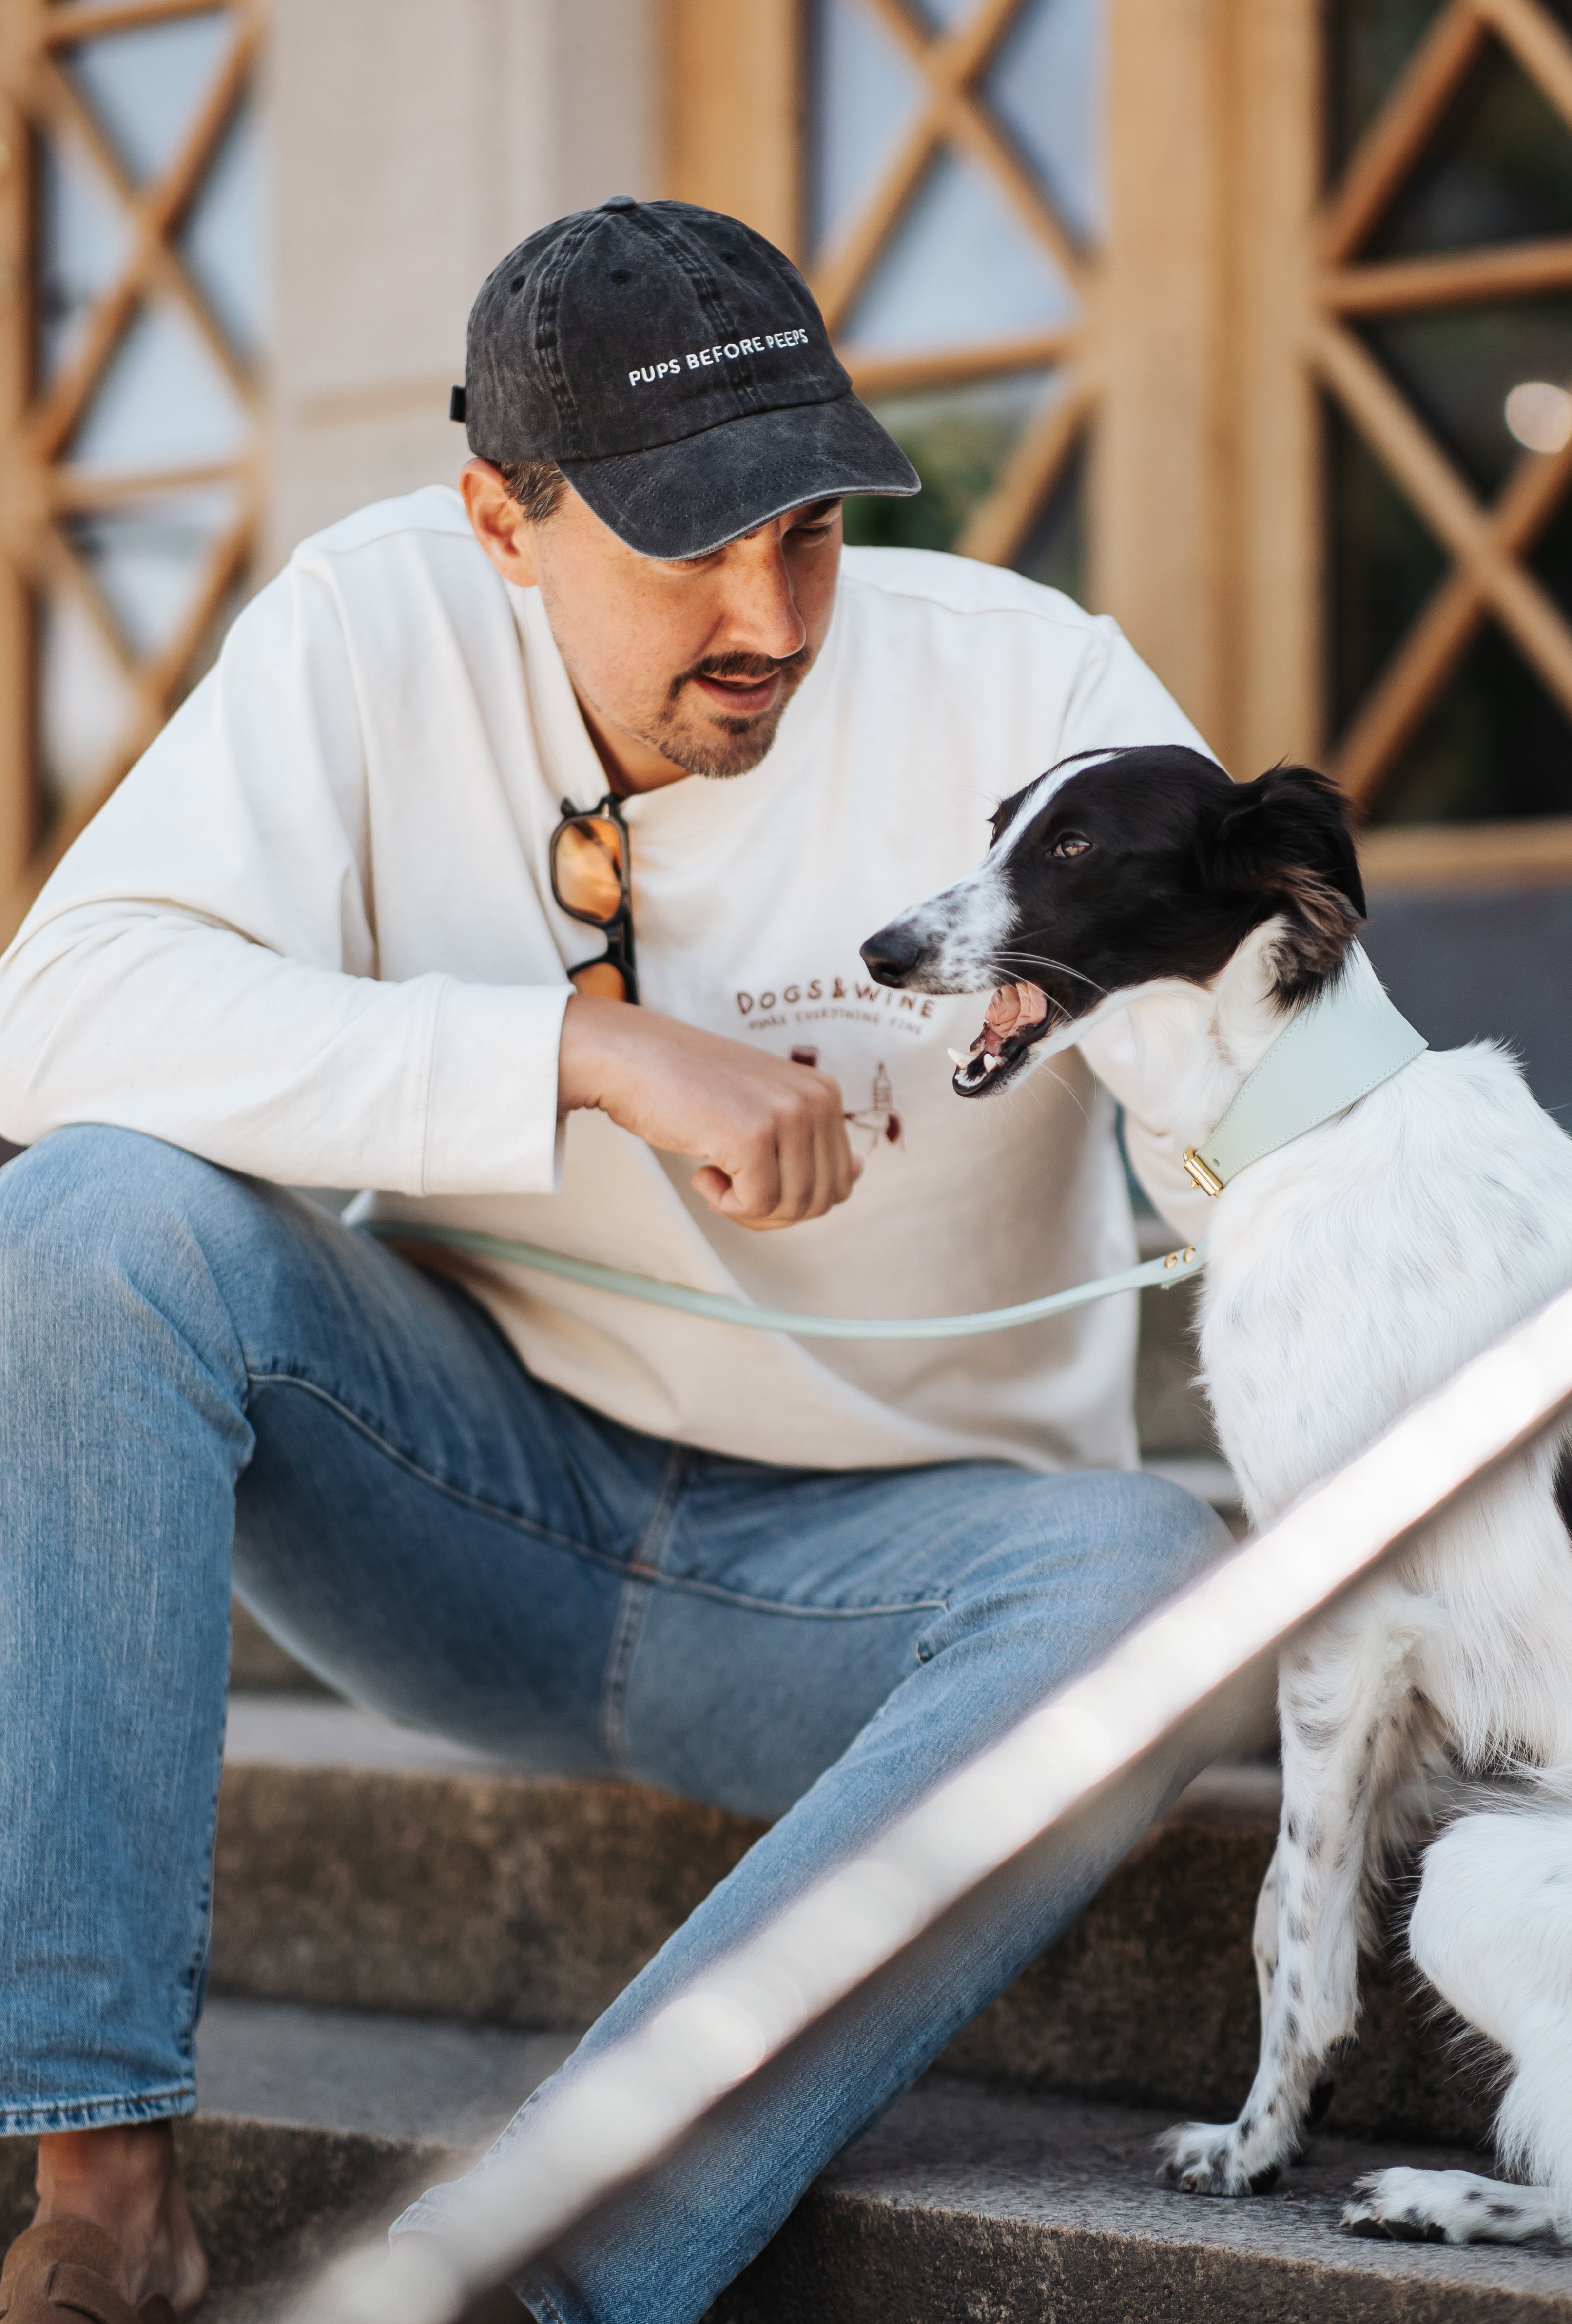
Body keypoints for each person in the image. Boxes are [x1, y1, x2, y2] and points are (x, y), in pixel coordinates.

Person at [0, 199, 1233, 2324]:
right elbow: (61, 1011)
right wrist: (576, 1049)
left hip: (884, 1586)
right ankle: (101, 2178)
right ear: (501, 517)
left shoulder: (1033, 688)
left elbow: (1261, 1099)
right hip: (477, 1514)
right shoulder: (364, 629)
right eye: (688, 548)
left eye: (810, 533)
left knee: (1141, 1586)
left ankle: (543, 2272)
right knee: (96, 1217)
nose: (767, 613)